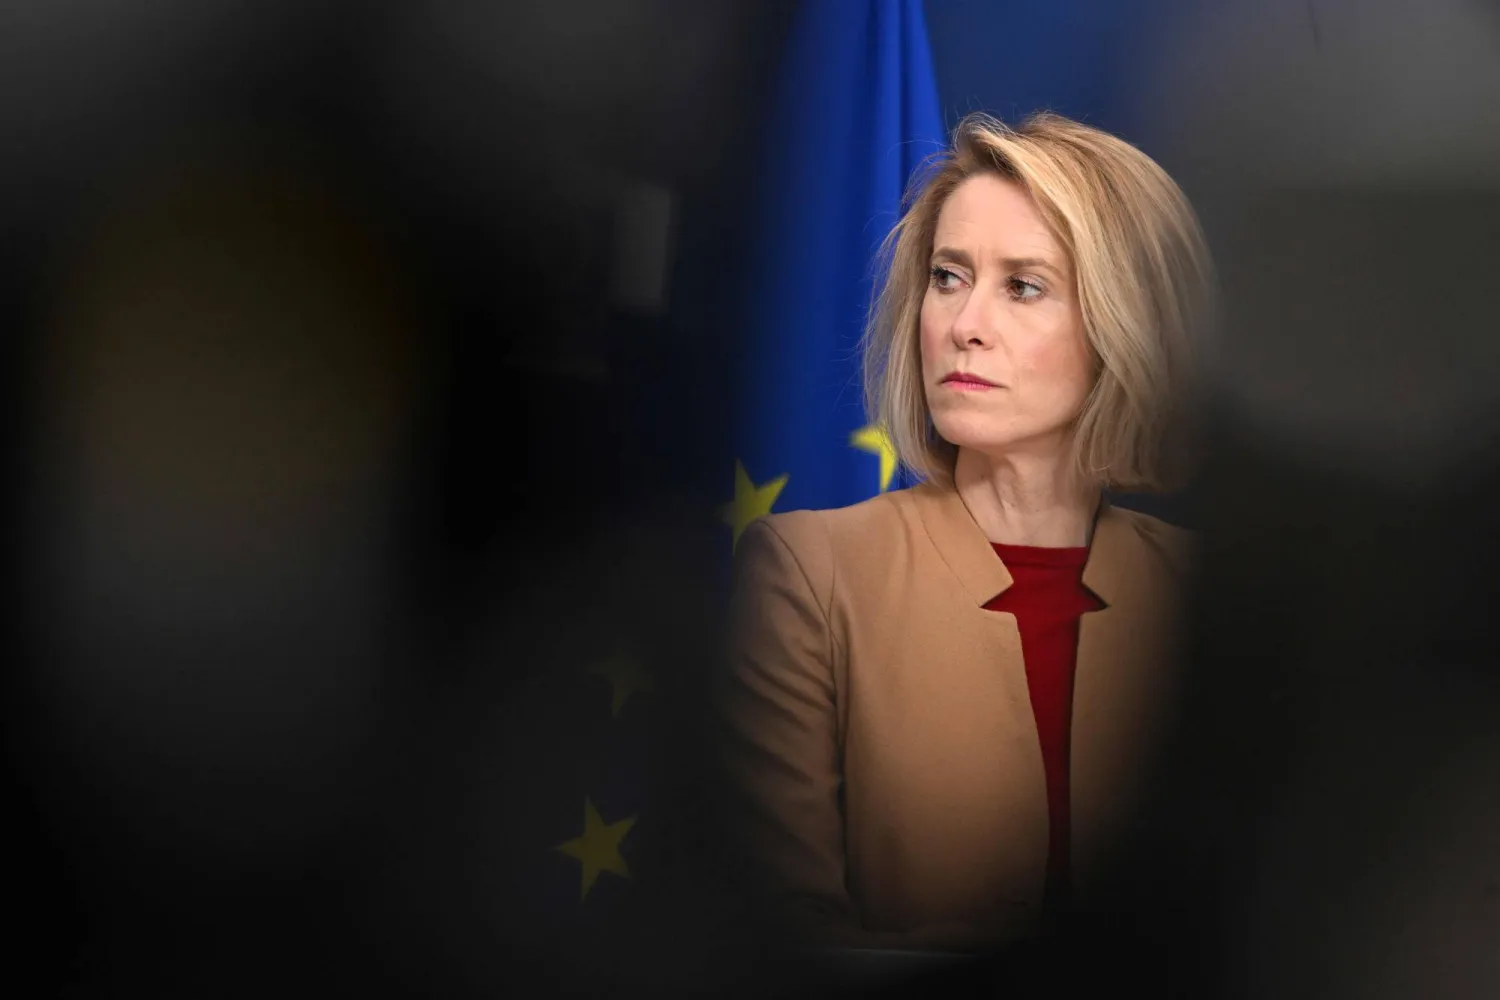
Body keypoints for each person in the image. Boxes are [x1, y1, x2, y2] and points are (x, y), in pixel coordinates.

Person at [716, 111, 1214, 954]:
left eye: (1023, 286)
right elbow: (784, 948)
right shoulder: (808, 571)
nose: (963, 323)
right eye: (949, 277)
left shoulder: (1208, 596)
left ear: (1125, 325)